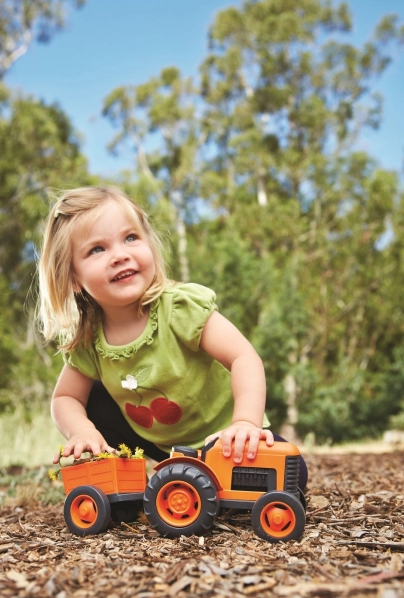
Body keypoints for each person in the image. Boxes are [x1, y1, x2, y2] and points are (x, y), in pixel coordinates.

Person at [37, 185, 307, 489]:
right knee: (93, 401)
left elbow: (243, 357)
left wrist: (245, 423)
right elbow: (65, 397)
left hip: (225, 440)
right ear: (73, 278)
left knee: (292, 473)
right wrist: (81, 432)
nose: (120, 255)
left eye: (130, 238)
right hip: (160, 449)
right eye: (97, 249)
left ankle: (200, 480)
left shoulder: (179, 308)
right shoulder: (89, 339)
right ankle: (127, 483)